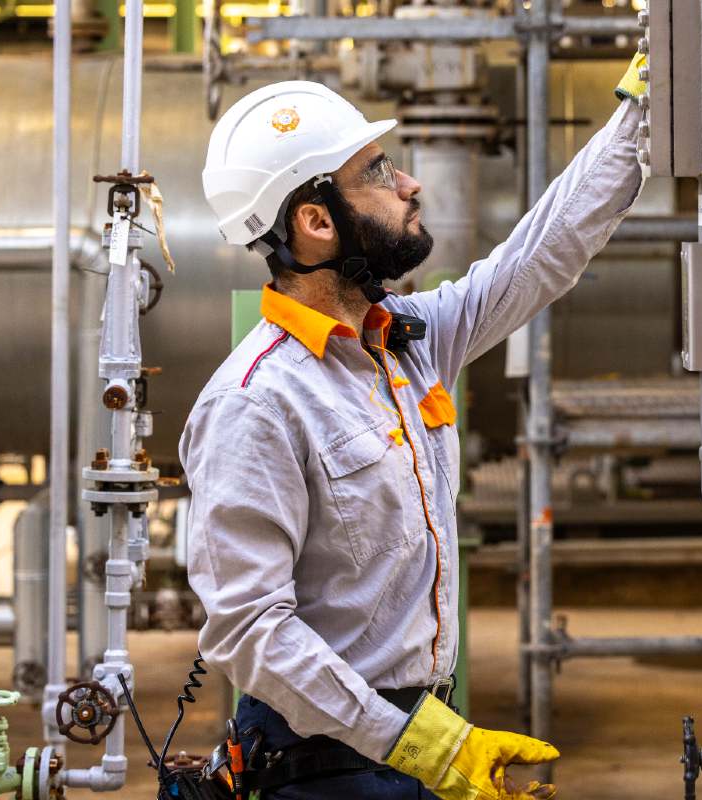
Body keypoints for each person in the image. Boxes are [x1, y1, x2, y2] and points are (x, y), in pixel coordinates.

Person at [182, 55, 648, 800]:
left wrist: (639, 115)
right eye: (378, 172)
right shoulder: (256, 402)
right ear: (315, 221)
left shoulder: (405, 340)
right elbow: (249, 631)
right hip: (326, 762)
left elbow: (536, 261)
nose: (409, 184)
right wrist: (413, 743)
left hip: (414, 735)